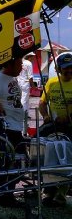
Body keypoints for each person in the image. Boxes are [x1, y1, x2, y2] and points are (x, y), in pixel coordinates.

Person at [0, 58, 26, 207]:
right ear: (10, 63)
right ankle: (4, 196)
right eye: (19, 63)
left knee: (18, 161)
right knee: (9, 162)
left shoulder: (12, 78)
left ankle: (8, 194)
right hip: (7, 127)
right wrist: (0, 108)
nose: (22, 66)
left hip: (16, 126)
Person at [38, 52, 72, 207]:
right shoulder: (51, 83)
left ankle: (61, 194)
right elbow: (42, 103)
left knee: (67, 159)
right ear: (58, 69)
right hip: (54, 127)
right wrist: (45, 116)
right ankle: (49, 191)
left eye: (71, 68)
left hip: (70, 126)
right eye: (66, 69)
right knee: (49, 157)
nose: (69, 71)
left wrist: (69, 117)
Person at [17, 52, 36, 134]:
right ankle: (23, 115)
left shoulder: (21, 62)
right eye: (33, 57)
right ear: (30, 56)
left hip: (18, 82)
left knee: (21, 99)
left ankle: (22, 114)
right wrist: (33, 86)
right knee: (25, 101)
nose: (33, 58)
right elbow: (30, 76)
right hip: (25, 83)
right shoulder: (29, 63)